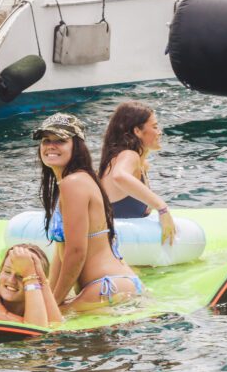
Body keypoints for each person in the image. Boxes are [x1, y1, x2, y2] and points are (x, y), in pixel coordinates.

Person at [32, 112, 144, 311]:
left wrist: (53, 305)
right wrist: (50, 295)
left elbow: (76, 252)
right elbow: (62, 251)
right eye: (46, 140)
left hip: (106, 286)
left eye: (60, 141)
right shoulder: (75, 181)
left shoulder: (73, 183)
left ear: (76, 147)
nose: (51, 146)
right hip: (112, 285)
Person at [99, 101, 176, 245]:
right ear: (137, 131)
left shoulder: (134, 162)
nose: (159, 132)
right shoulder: (129, 156)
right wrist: (162, 208)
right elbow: (119, 176)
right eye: (154, 126)